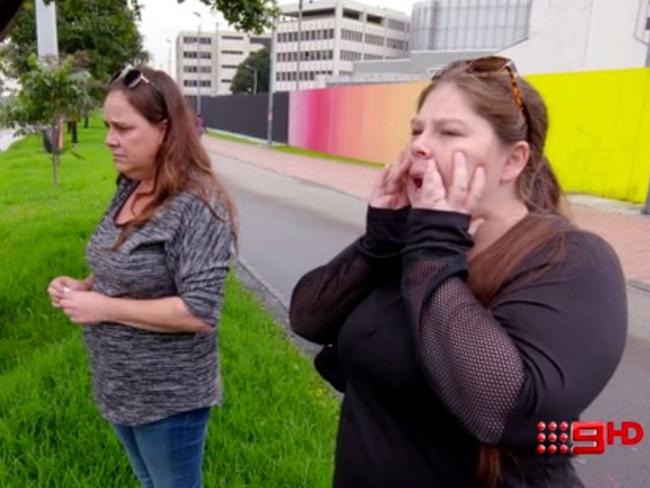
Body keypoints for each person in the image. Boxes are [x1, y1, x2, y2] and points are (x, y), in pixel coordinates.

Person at [289, 57, 627, 488]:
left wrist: (434, 250)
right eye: (417, 130)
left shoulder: (572, 261)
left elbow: (503, 413)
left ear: (513, 161)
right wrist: (379, 244)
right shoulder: (414, 242)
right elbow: (308, 318)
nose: (419, 146)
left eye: (448, 132)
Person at [47, 65, 236, 488]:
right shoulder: (131, 184)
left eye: (123, 128)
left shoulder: (197, 206)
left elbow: (200, 311)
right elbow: (122, 261)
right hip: (120, 386)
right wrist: (85, 286)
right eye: (108, 126)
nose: (110, 139)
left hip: (168, 397)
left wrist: (103, 308)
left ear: (164, 130)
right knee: (147, 481)